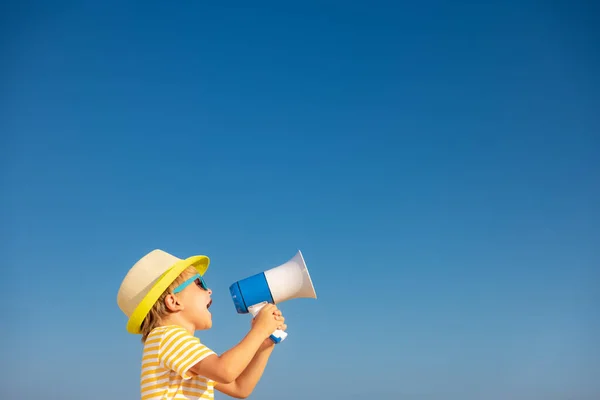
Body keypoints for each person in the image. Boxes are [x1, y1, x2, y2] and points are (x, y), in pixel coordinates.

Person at [117, 249, 286, 399]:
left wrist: (265, 344)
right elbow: (225, 371)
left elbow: (240, 388)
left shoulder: (180, 350)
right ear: (174, 302)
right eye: (200, 283)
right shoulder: (166, 337)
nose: (209, 290)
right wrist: (259, 330)